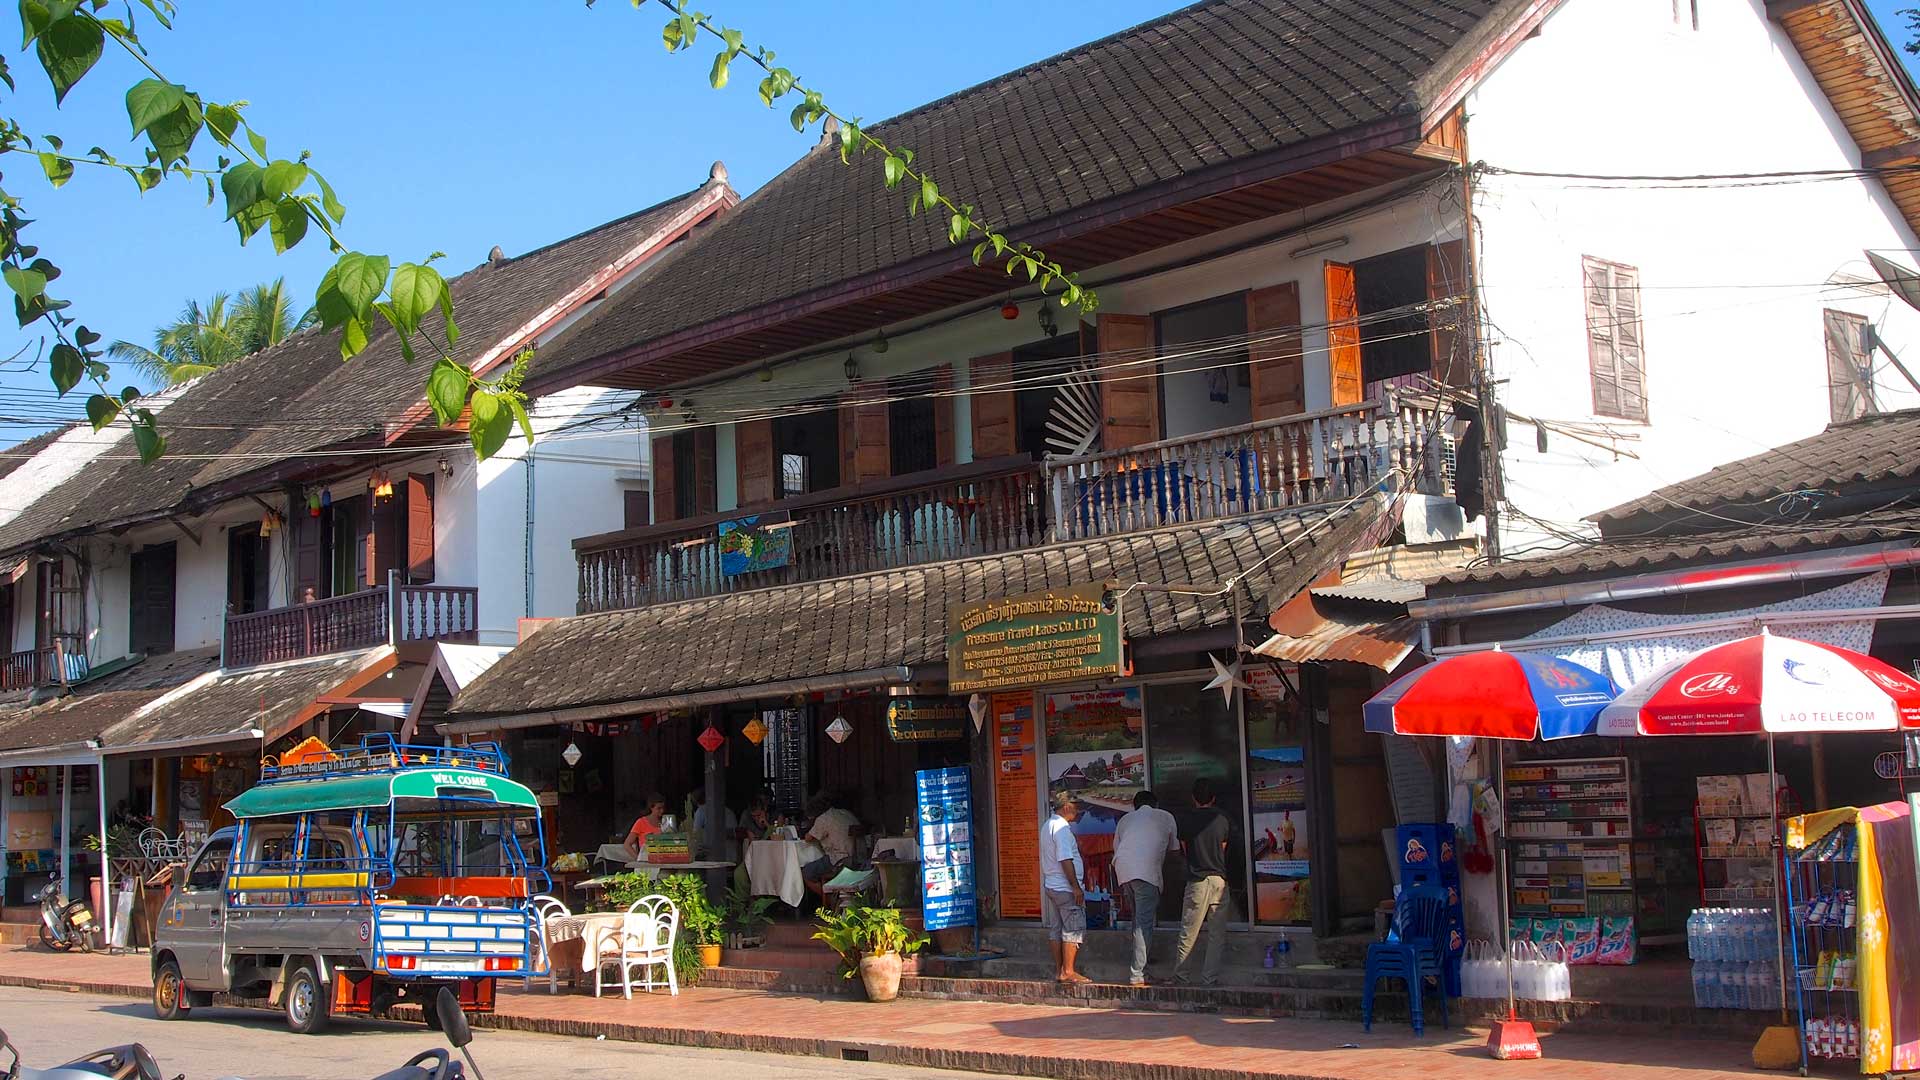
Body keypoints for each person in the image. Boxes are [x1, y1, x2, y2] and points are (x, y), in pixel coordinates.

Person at [1112, 789, 1179, 987]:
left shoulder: (1125, 819)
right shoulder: (1165, 816)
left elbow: (1118, 848)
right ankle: (1138, 974)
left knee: (1138, 920)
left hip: (1124, 871)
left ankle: (1142, 963)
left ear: (1135, 806)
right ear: (1155, 804)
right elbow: (1175, 850)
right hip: (1146, 872)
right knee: (1143, 924)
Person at [1172, 777, 1231, 986]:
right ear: (1213, 798)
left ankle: (1182, 976)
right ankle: (1210, 978)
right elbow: (1222, 849)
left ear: (1193, 798)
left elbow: (1185, 850)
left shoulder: (1186, 820)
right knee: (1217, 934)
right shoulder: (1222, 819)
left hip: (1197, 880)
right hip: (1219, 880)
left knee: (1189, 932)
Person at [1039, 791, 1090, 984]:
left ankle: (1060, 969)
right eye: (1076, 807)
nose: (1078, 811)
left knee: (1057, 929)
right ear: (1067, 807)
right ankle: (1068, 971)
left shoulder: (1048, 825)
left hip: (1053, 885)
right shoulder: (1061, 828)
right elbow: (1065, 859)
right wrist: (1075, 887)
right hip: (1064, 887)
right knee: (1073, 928)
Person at [801, 793, 859, 897]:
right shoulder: (846, 813)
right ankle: (833, 897)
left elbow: (808, 838)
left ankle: (830, 900)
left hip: (841, 859)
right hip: (859, 857)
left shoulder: (824, 818)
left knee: (806, 872)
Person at [691, 789, 739, 862]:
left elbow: (695, 835)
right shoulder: (729, 811)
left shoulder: (701, 811)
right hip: (732, 857)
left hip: (714, 858)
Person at [622, 792, 668, 860]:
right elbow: (627, 844)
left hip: (663, 858)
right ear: (651, 808)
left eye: (663, 808)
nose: (662, 811)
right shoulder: (641, 822)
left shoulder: (666, 822)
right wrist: (638, 859)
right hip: (646, 859)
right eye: (659, 808)